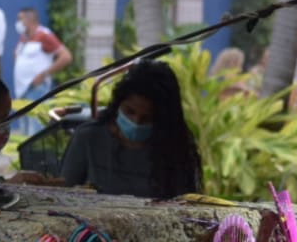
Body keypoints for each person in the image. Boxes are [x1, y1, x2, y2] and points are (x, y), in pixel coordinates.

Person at [60, 60, 202, 198]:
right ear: (118, 104)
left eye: (147, 118)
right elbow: (62, 195)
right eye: (129, 111)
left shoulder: (176, 150)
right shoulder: (88, 138)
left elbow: (186, 206)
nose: (136, 122)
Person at [12, 7, 72, 136]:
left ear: (30, 20)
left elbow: (66, 56)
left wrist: (44, 74)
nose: (17, 23)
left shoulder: (44, 35)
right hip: (22, 89)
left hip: (37, 88)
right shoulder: (24, 38)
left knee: (36, 129)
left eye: (20, 19)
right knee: (24, 131)